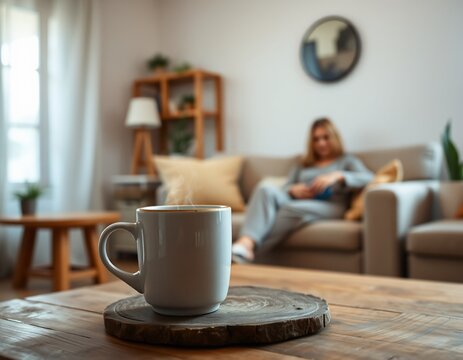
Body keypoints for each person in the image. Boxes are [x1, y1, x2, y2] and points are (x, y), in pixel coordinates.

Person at [232, 118, 373, 263]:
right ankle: (245, 242)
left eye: (325, 137)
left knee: (290, 209)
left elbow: (370, 178)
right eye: (316, 139)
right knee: (265, 189)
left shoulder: (346, 160)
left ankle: (250, 254)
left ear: (334, 137)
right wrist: (293, 190)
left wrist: (338, 176)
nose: (321, 143)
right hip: (300, 199)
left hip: (331, 205)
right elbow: (287, 186)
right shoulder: (303, 163)